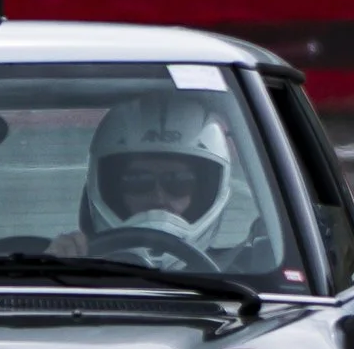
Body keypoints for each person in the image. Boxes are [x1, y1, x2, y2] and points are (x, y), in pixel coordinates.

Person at [50, 93, 236, 262]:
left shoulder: (244, 277)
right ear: (112, 191)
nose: (158, 198)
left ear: (202, 193)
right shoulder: (80, 270)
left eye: (179, 182)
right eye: (138, 181)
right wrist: (58, 268)